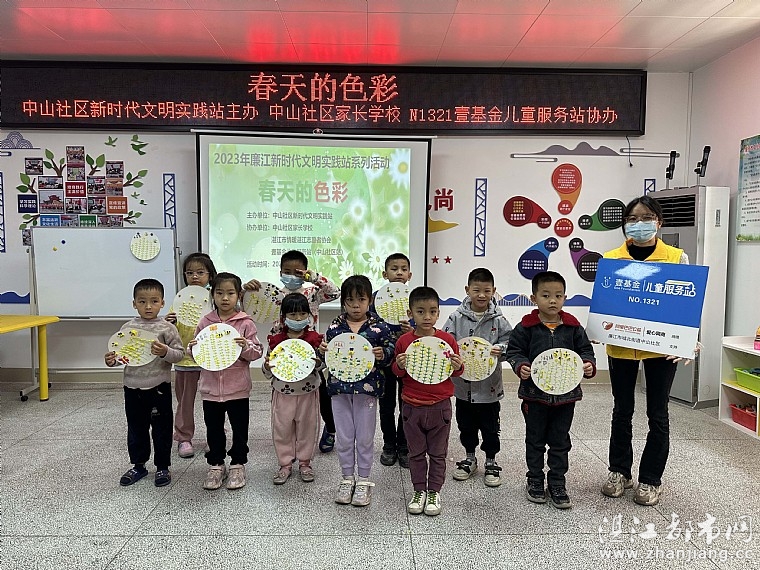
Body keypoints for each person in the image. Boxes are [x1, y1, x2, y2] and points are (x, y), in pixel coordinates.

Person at [600, 195, 691, 507]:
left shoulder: (676, 258)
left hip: (660, 348)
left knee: (658, 413)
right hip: (621, 347)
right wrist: (598, 327)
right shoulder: (611, 259)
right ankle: (619, 471)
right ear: (625, 224)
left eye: (646, 218)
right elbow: (606, 302)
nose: (639, 224)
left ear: (659, 222)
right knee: (621, 410)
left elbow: (686, 304)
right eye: (632, 219)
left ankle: (651, 479)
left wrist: (689, 339)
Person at [505, 271, 596, 509]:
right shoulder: (525, 327)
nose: (552, 301)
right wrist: (520, 365)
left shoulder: (573, 327)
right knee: (535, 440)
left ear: (565, 297)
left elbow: (586, 351)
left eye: (558, 295)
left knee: (560, 441)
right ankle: (535, 479)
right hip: (534, 397)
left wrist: (588, 365)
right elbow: (514, 351)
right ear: (534, 298)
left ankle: (557, 482)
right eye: (545, 295)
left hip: (566, 398)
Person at [246, 250, 340, 454]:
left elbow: (335, 293)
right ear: (280, 271)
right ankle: (289, 436)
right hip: (283, 349)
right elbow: (246, 306)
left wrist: (313, 277)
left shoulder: (312, 293)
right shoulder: (272, 295)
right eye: (286, 271)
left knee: (321, 395)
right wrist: (248, 291)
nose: (291, 276)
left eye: (297, 272)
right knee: (285, 396)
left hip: (310, 350)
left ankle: (330, 429)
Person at [319, 275, 394, 507]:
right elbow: (327, 357)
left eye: (361, 299)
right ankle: (346, 478)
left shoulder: (379, 327)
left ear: (370, 300)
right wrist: (323, 351)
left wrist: (383, 354)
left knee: (364, 436)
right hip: (339, 390)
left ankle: (363, 479)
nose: (355, 305)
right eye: (350, 300)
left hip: (366, 391)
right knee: (344, 436)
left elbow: (389, 353)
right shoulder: (335, 327)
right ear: (343, 301)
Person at [392, 286, 464, 516]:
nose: (427, 317)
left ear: (438, 313)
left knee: (438, 453)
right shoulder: (404, 341)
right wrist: (399, 365)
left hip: (440, 406)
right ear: (410, 313)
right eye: (420, 311)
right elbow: (397, 372)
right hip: (411, 406)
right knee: (415, 452)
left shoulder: (447, 340)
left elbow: (457, 372)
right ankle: (418, 490)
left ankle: (434, 491)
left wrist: (458, 365)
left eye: (432, 311)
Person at [105, 279, 184, 488]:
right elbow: (122, 355)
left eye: (154, 301)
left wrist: (165, 352)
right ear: (134, 304)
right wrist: (112, 361)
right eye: (142, 301)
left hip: (159, 387)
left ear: (162, 303)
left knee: (161, 429)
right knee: (136, 428)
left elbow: (179, 354)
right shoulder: (127, 328)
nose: (148, 306)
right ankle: (138, 465)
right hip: (132, 387)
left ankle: (163, 467)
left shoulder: (167, 328)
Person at [189, 272, 263, 491]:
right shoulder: (206, 322)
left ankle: (238, 464)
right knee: (213, 429)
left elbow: (257, 352)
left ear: (239, 295)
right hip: (211, 389)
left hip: (237, 388)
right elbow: (197, 353)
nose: (224, 298)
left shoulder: (245, 322)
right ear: (212, 295)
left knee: (239, 429)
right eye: (219, 293)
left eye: (230, 293)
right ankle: (216, 464)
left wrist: (245, 346)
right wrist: (193, 349)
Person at [443, 267, 512, 487]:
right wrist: (452, 355)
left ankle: (491, 461)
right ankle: (470, 458)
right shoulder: (455, 318)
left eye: (486, 290)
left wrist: (501, 349)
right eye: (476, 290)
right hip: (463, 387)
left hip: (489, 388)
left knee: (491, 428)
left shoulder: (499, 320)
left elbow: (511, 343)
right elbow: (445, 343)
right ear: (467, 290)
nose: (481, 295)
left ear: (493, 291)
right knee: (466, 426)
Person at [261, 293, 324, 485]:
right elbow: (267, 370)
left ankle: (305, 463)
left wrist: (319, 362)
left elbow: (322, 365)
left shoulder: (315, 339)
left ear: (309, 316)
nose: (298, 319)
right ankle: (285, 464)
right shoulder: (276, 341)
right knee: (282, 428)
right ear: (284, 317)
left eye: (302, 314)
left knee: (308, 428)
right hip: (283, 392)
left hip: (308, 392)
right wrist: (267, 366)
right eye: (293, 314)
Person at [165, 252, 217, 459]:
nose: (194, 276)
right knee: (185, 402)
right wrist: (169, 322)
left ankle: (215, 436)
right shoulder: (181, 298)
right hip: (184, 360)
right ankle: (183, 437)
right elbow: (171, 328)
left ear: (210, 275)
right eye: (189, 273)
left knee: (214, 402)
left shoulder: (216, 298)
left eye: (200, 272)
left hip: (210, 360)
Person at [371, 253, 414, 469]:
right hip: (385, 362)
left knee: (407, 403)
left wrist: (411, 330)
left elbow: (426, 328)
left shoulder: (414, 298)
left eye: (403, 269)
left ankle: (404, 446)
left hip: (408, 360)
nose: (399, 272)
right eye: (394, 268)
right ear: (384, 273)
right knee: (386, 406)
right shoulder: (376, 299)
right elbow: (369, 327)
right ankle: (389, 445)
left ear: (410, 275)